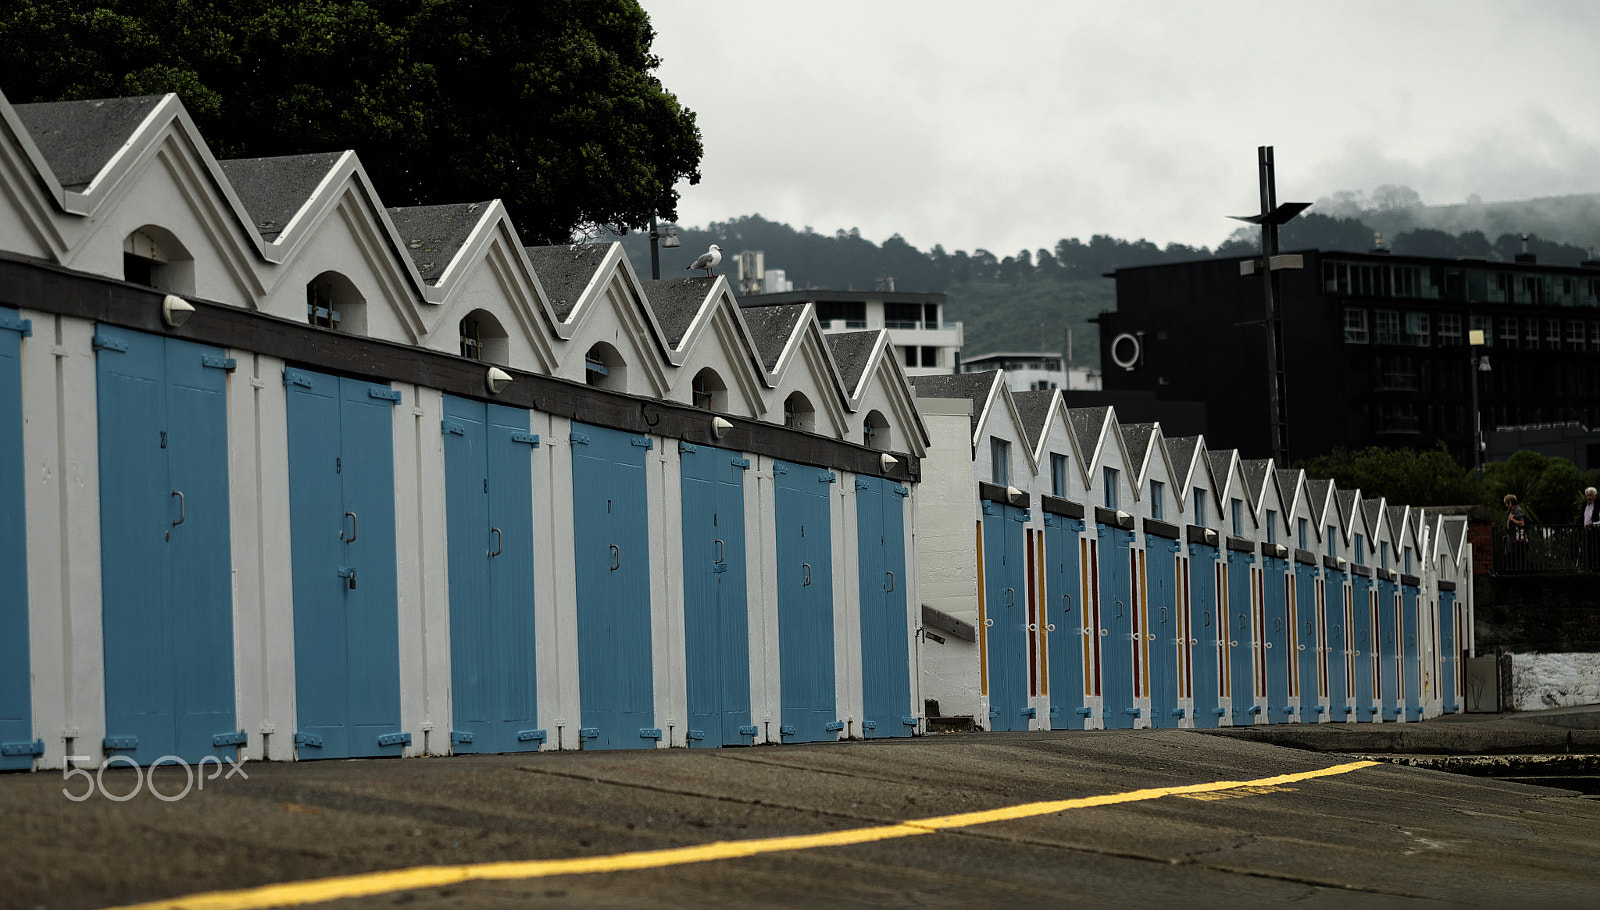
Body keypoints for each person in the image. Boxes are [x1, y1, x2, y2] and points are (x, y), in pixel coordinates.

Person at [1504, 493, 1529, 571]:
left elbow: (1522, 523)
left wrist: (1512, 520)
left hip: (1518, 540)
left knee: (1519, 556)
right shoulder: (1514, 511)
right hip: (1513, 539)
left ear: (1510, 503)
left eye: (1507, 504)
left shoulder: (1517, 510)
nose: (1506, 506)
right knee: (1516, 556)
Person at [1579, 487, 1599, 571]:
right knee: (1586, 550)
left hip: (1596, 531)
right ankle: (1587, 568)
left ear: (1595, 496)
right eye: (1587, 496)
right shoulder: (1585, 504)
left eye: (1590, 496)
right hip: (1586, 531)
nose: (1588, 498)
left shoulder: (1598, 505)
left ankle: (1596, 568)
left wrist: (1593, 524)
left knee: (1596, 551)